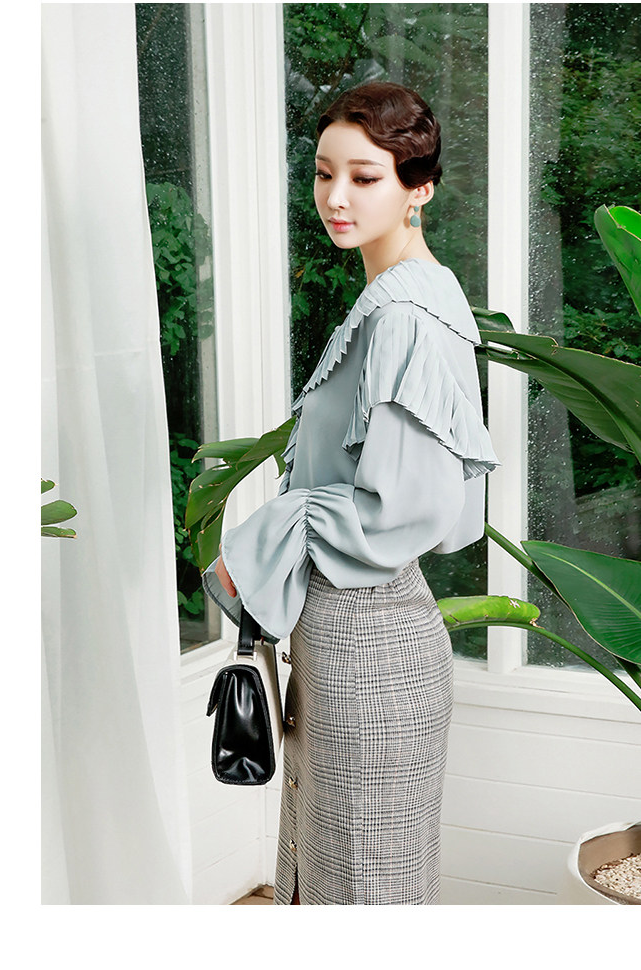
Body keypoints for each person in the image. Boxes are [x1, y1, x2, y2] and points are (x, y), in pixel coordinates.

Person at [201, 81, 500, 905]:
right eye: (325, 172)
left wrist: (270, 529)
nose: (336, 197)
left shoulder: (406, 317)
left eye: (365, 178)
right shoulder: (406, 294)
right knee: (330, 883)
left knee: (363, 894)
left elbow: (404, 510)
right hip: (344, 638)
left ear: (419, 189)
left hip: (369, 647)